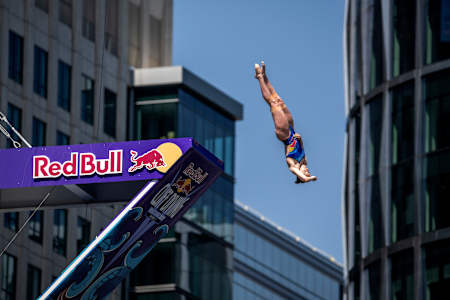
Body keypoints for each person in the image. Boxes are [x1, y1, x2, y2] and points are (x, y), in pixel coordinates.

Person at [254, 61, 317, 183]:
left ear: (300, 175)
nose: (307, 170)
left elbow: (298, 173)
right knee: (278, 101)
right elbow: (301, 147)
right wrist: (301, 139)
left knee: (273, 104)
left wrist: (306, 178)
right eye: (308, 171)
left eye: (306, 172)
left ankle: (260, 77)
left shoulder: (292, 164)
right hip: (292, 130)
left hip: (285, 135)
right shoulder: (304, 161)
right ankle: (264, 76)